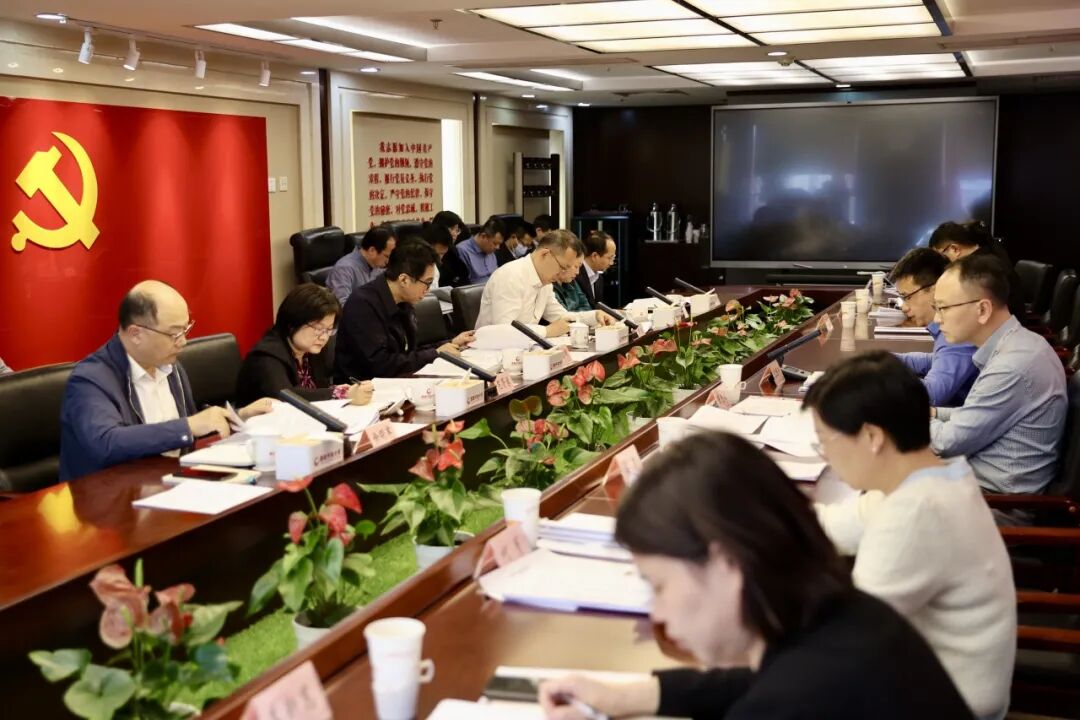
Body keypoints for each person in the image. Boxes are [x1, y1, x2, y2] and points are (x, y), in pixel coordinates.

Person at [539, 433, 974, 720]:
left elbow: (772, 694)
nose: (658, 614)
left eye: (660, 586)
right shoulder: (842, 617)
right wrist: (627, 696)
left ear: (726, 563)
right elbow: (754, 680)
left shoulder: (791, 701)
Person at [805, 352, 1015, 720]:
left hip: (948, 703)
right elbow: (836, 525)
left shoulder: (916, 513)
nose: (825, 455)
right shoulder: (931, 477)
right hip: (927, 675)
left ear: (872, 436)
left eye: (825, 441)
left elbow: (848, 642)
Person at [59, 280, 271, 481]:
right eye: (174, 334)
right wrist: (187, 426)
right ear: (135, 334)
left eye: (185, 330)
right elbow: (107, 443)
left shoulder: (170, 366)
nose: (183, 342)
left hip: (171, 482)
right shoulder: (90, 380)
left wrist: (236, 417)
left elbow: (191, 428)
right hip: (111, 496)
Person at [931, 253, 1067, 495]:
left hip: (994, 502)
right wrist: (933, 413)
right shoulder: (1018, 344)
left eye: (943, 308)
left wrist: (903, 417)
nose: (936, 318)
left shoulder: (1012, 365)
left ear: (983, 309)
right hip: (972, 481)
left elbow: (945, 443)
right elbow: (980, 413)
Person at [334, 239, 474, 381]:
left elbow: (410, 352)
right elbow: (381, 365)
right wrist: (436, 353)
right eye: (427, 283)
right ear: (403, 280)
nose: (428, 289)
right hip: (362, 387)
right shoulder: (363, 304)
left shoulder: (403, 301)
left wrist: (449, 344)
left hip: (397, 381)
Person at [236, 284, 373, 406]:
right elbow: (286, 396)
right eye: (318, 328)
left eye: (329, 329)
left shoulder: (311, 349)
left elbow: (319, 388)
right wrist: (340, 394)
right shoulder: (265, 356)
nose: (324, 337)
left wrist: (347, 389)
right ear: (293, 323)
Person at [475, 229, 616, 337]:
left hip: (525, 351)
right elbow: (504, 331)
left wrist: (594, 316)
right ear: (545, 254)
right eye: (563, 267)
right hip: (489, 356)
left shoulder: (545, 281)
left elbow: (560, 316)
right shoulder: (510, 276)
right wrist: (546, 331)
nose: (563, 273)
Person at [889, 248, 978, 406]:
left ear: (936, 288)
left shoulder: (957, 328)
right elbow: (938, 359)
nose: (904, 307)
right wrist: (884, 361)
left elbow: (931, 395)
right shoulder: (952, 330)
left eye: (907, 297)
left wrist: (877, 382)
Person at [928, 221, 1023, 317]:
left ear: (955, 249)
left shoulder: (980, 270)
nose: (944, 263)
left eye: (943, 256)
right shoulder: (989, 250)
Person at [326, 226, 396, 305]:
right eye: (386, 256)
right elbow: (342, 306)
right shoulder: (344, 269)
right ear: (372, 250)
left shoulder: (378, 268)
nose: (387, 261)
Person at [455, 215, 505, 284]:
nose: (497, 247)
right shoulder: (462, 251)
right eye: (495, 243)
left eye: (499, 244)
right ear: (483, 236)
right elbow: (464, 285)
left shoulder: (491, 252)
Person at [576, 230, 616, 307]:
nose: (611, 263)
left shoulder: (599, 278)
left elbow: (598, 308)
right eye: (610, 258)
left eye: (613, 258)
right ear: (595, 256)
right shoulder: (574, 274)